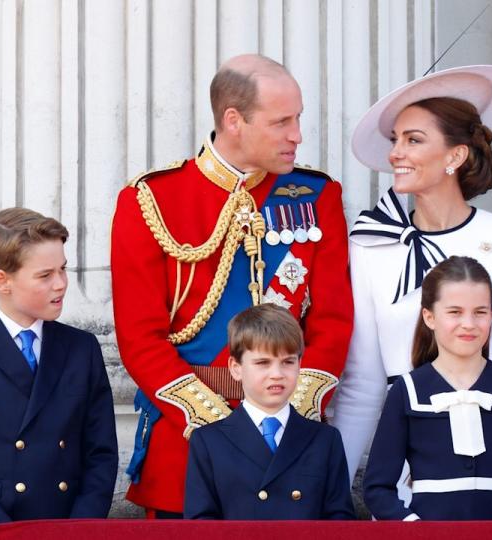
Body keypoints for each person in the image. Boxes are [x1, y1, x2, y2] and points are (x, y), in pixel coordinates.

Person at [110, 53, 354, 517]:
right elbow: (140, 338)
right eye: (281, 121)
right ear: (233, 120)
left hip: (290, 441)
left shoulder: (317, 196)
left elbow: (334, 321)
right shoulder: (151, 200)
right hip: (189, 440)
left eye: (298, 118)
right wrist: (220, 427)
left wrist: (290, 409)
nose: (297, 134)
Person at [330, 65, 492, 494]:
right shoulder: (371, 245)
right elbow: (363, 386)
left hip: (489, 458)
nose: (396, 153)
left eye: (413, 140)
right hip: (403, 463)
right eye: (395, 140)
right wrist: (331, 490)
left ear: (455, 156)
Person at [0, 208, 118, 522]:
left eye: (63, 270)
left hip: (67, 527)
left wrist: (81, 529)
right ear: (3, 281)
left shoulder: (82, 348)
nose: (61, 284)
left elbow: (101, 453)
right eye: (45, 275)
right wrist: (0, 533)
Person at [363, 256, 492, 520]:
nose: (469, 324)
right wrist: (415, 530)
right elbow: (376, 488)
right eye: (455, 312)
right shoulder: (406, 391)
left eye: (480, 312)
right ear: (429, 317)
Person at [184, 304, 355, 520]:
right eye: (263, 363)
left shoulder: (325, 439)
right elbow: (201, 524)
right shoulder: (208, 441)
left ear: (300, 364)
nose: (277, 374)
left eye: (288, 362)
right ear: (236, 368)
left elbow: (340, 521)